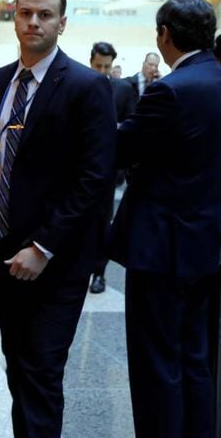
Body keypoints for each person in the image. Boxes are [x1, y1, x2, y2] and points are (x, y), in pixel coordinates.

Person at [0, 0, 116, 438]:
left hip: (55, 258)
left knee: (42, 369)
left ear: (62, 23)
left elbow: (94, 178)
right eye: (25, 13)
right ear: (14, 18)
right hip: (0, 250)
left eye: (44, 15)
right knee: (18, 363)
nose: (33, 22)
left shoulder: (88, 86)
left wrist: (43, 246)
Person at [109, 0, 221, 438]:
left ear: (164, 35)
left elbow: (122, 148)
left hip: (161, 248)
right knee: (197, 357)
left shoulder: (170, 90)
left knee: (157, 362)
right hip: (209, 246)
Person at [87, 41, 136, 294]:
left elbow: (132, 124)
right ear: (91, 62)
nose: (102, 71)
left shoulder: (123, 89)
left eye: (106, 67)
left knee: (102, 221)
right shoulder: (78, 85)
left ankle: (99, 272)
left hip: (106, 169)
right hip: (78, 167)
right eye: (98, 66)